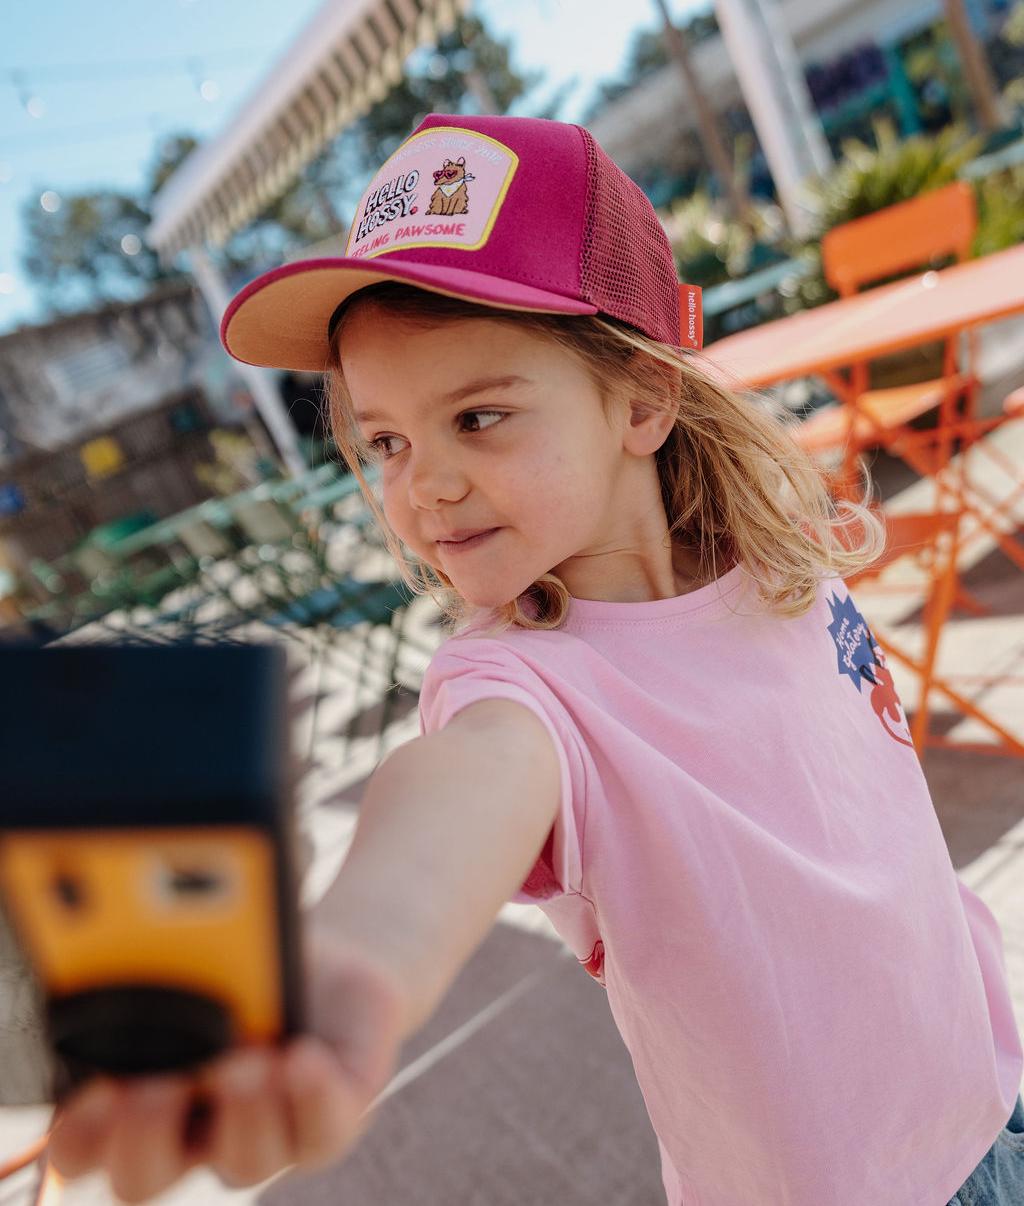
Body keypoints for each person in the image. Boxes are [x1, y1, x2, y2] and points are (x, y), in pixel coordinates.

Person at [48, 113, 1023, 1205]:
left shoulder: (777, 560)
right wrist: (351, 966)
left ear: (642, 397)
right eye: (386, 442)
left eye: (479, 415)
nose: (422, 486)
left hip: (990, 1074)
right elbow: (454, 802)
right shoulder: (520, 689)